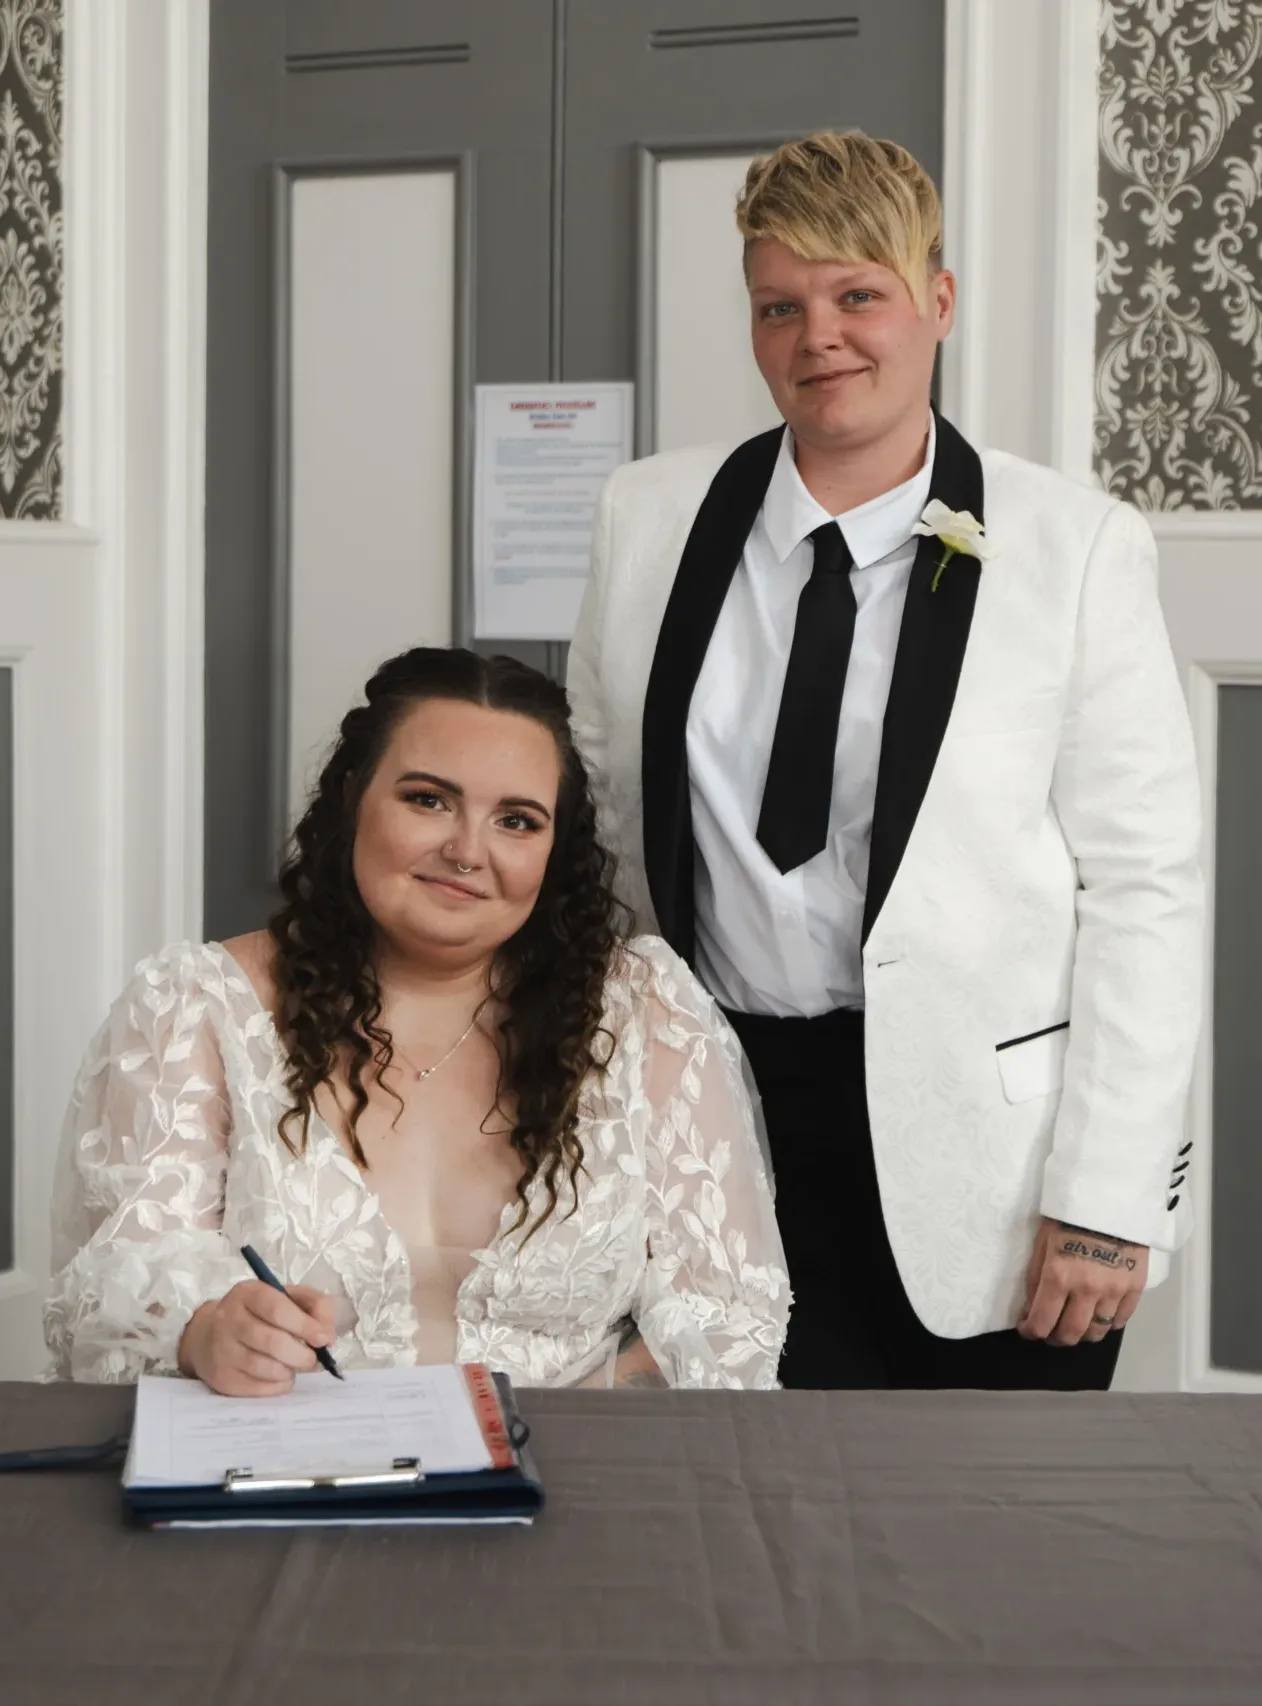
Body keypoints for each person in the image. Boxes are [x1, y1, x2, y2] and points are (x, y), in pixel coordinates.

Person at [567, 130, 1203, 1391]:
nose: (821, 339)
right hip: (712, 1126)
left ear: (937, 302)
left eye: (859, 295)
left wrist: (1104, 1196)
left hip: (993, 1177)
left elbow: (1145, 887)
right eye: (779, 307)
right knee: (730, 1539)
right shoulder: (647, 518)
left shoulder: (1073, 547)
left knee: (977, 1552)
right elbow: (599, 822)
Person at [45, 648, 789, 1393]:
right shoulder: (192, 1007)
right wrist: (205, 1333)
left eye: (517, 820)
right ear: (351, 801)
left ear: (554, 851)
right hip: (292, 1463)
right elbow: (109, 1294)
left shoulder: (643, 1011)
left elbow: (727, 1313)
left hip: (572, 1472)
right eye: (428, 800)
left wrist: (566, 1434)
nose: (467, 851)